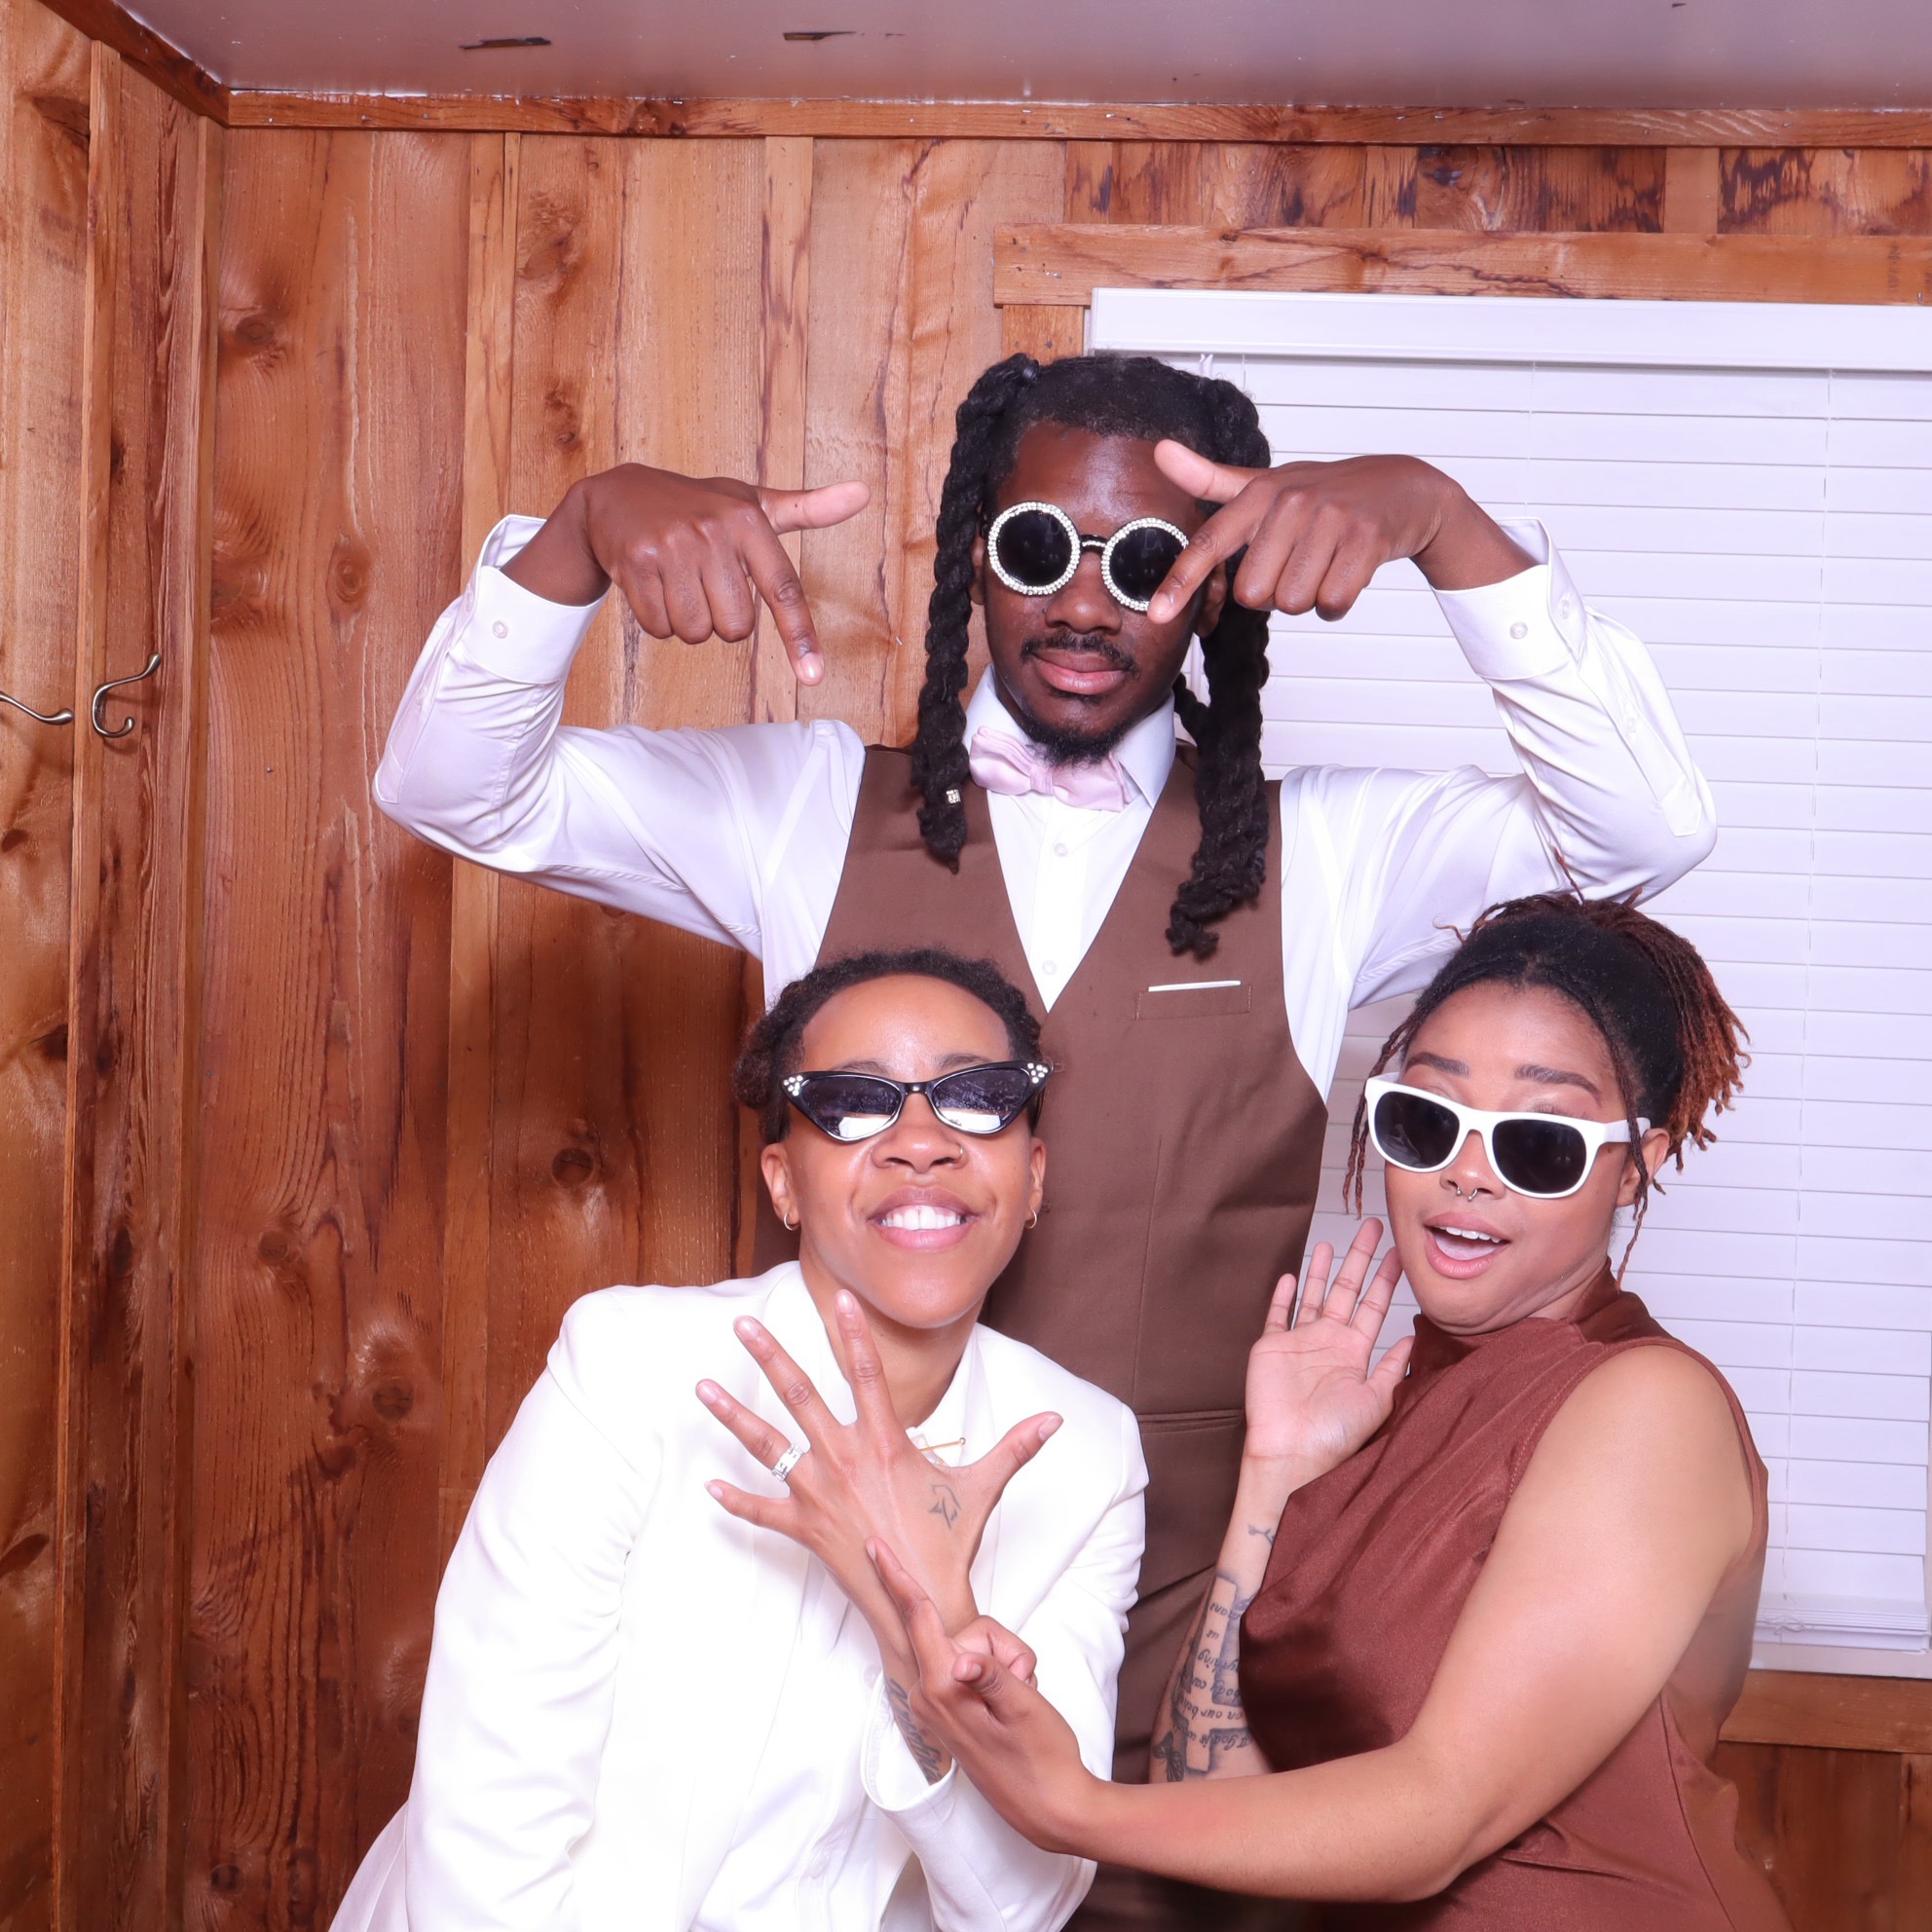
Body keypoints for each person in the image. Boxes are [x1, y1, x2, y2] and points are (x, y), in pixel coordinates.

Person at [373, 350, 1717, 1928]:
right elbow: (457, 787)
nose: (1086, 600)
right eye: (1036, 547)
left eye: (1145, 560)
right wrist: (582, 532)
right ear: (974, 559)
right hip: (803, 1580)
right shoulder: (804, 807)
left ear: (1213, 587)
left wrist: (1437, 520)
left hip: (1156, 1641)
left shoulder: (1328, 855)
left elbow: (1641, 829)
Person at [867, 892, 1792, 1931]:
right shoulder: (1376, 1406)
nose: (1467, 1173)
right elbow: (1209, 1788)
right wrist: (1276, 1471)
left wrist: (1072, 1808)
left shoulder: (1646, 1407)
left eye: (1539, 1142)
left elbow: (1442, 1811)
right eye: (1426, 1121)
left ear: (1638, 1167)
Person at [329, 948, 1147, 1932]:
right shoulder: (629, 1368)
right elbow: (488, 1837)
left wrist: (925, 1628)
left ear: (1033, 1177)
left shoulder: (1087, 1457)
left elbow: (1023, 1904)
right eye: (853, 1103)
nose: (920, 1142)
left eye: (975, 1097)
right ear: (784, 1182)